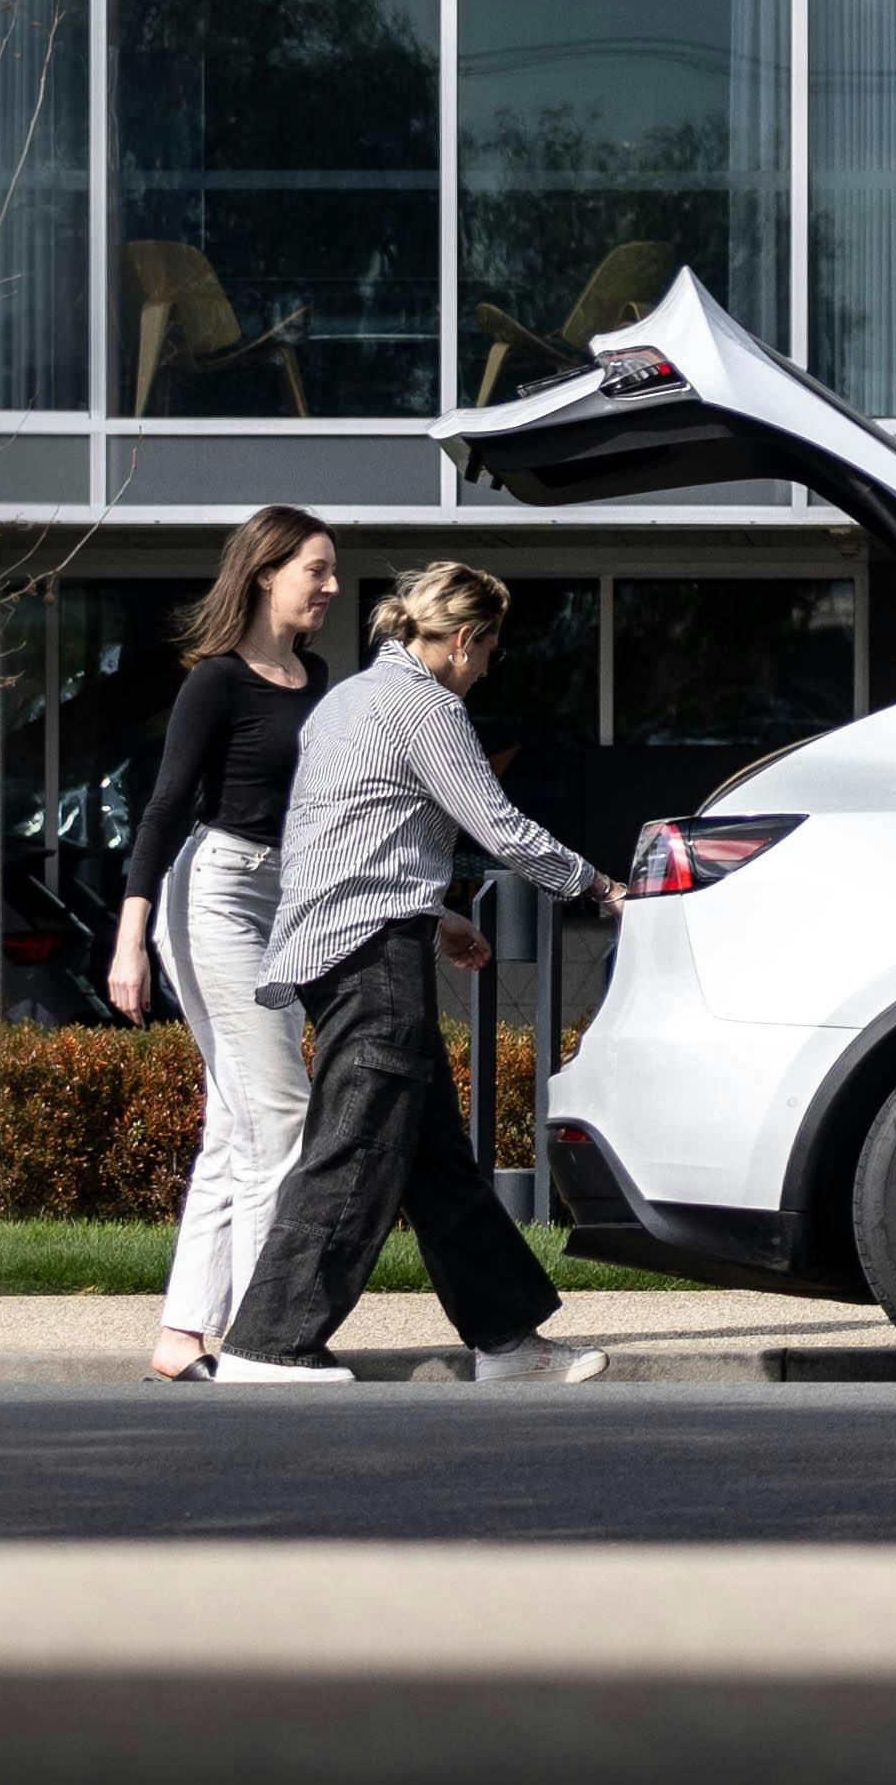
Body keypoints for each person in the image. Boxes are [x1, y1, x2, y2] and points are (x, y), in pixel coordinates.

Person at [210, 556, 617, 1387]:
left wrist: (433, 916)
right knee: (355, 1150)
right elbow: (499, 826)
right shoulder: (425, 706)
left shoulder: (348, 700)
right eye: (491, 652)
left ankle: (509, 1346)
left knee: (433, 1163)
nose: (486, 669)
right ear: (465, 640)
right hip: (371, 960)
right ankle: (269, 1346)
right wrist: (600, 887)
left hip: (346, 945)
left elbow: (346, 837)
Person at [107, 508, 343, 1387]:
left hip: (282, 896)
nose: (328, 586)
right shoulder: (215, 680)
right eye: (314, 570)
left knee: (238, 1123)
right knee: (280, 1113)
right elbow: (165, 809)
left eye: (329, 571)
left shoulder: (314, 677)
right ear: (264, 573)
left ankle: (186, 1335)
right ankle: (263, 1337)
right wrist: (129, 943)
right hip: (214, 893)